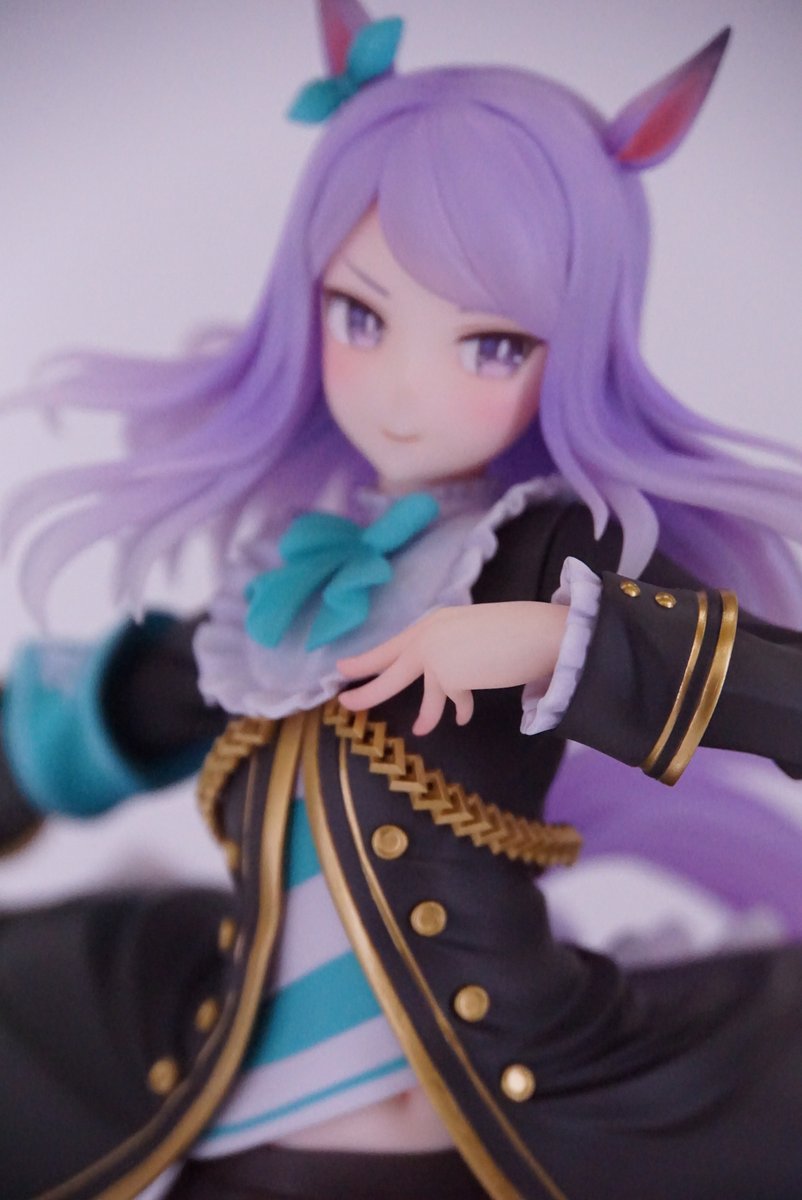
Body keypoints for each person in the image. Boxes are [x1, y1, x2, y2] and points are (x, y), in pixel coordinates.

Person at [2, 3, 802, 1197]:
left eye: (491, 345)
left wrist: (551, 640)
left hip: (465, 1136)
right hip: (238, 1141)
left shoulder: (541, 556)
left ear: (568, 353)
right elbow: (116, 708)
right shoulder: (278, 588)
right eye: (361, 317)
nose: (405, 394)